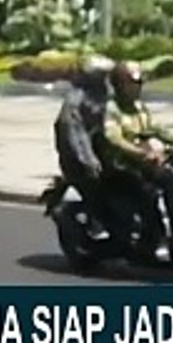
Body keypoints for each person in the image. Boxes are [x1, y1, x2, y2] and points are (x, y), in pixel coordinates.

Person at [101, 60, 173, 260]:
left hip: (142, 164)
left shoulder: (139, 107)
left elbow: (155, 128)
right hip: (119, 167)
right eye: (133, 83)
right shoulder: (111, 109)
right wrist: (140, 153)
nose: (138, 87)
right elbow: (114, 139)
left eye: (140, 83)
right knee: (148, 194)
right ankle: (151, 241)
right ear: (119, 84)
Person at [53, 55, 114, 240]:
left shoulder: (104, 94)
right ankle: (97, 222)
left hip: (101, 150)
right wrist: (87, 159)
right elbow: (74, 132)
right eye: (102, 75)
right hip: (77, 158)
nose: (106, 79)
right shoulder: (76, 100)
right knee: (96, 185)